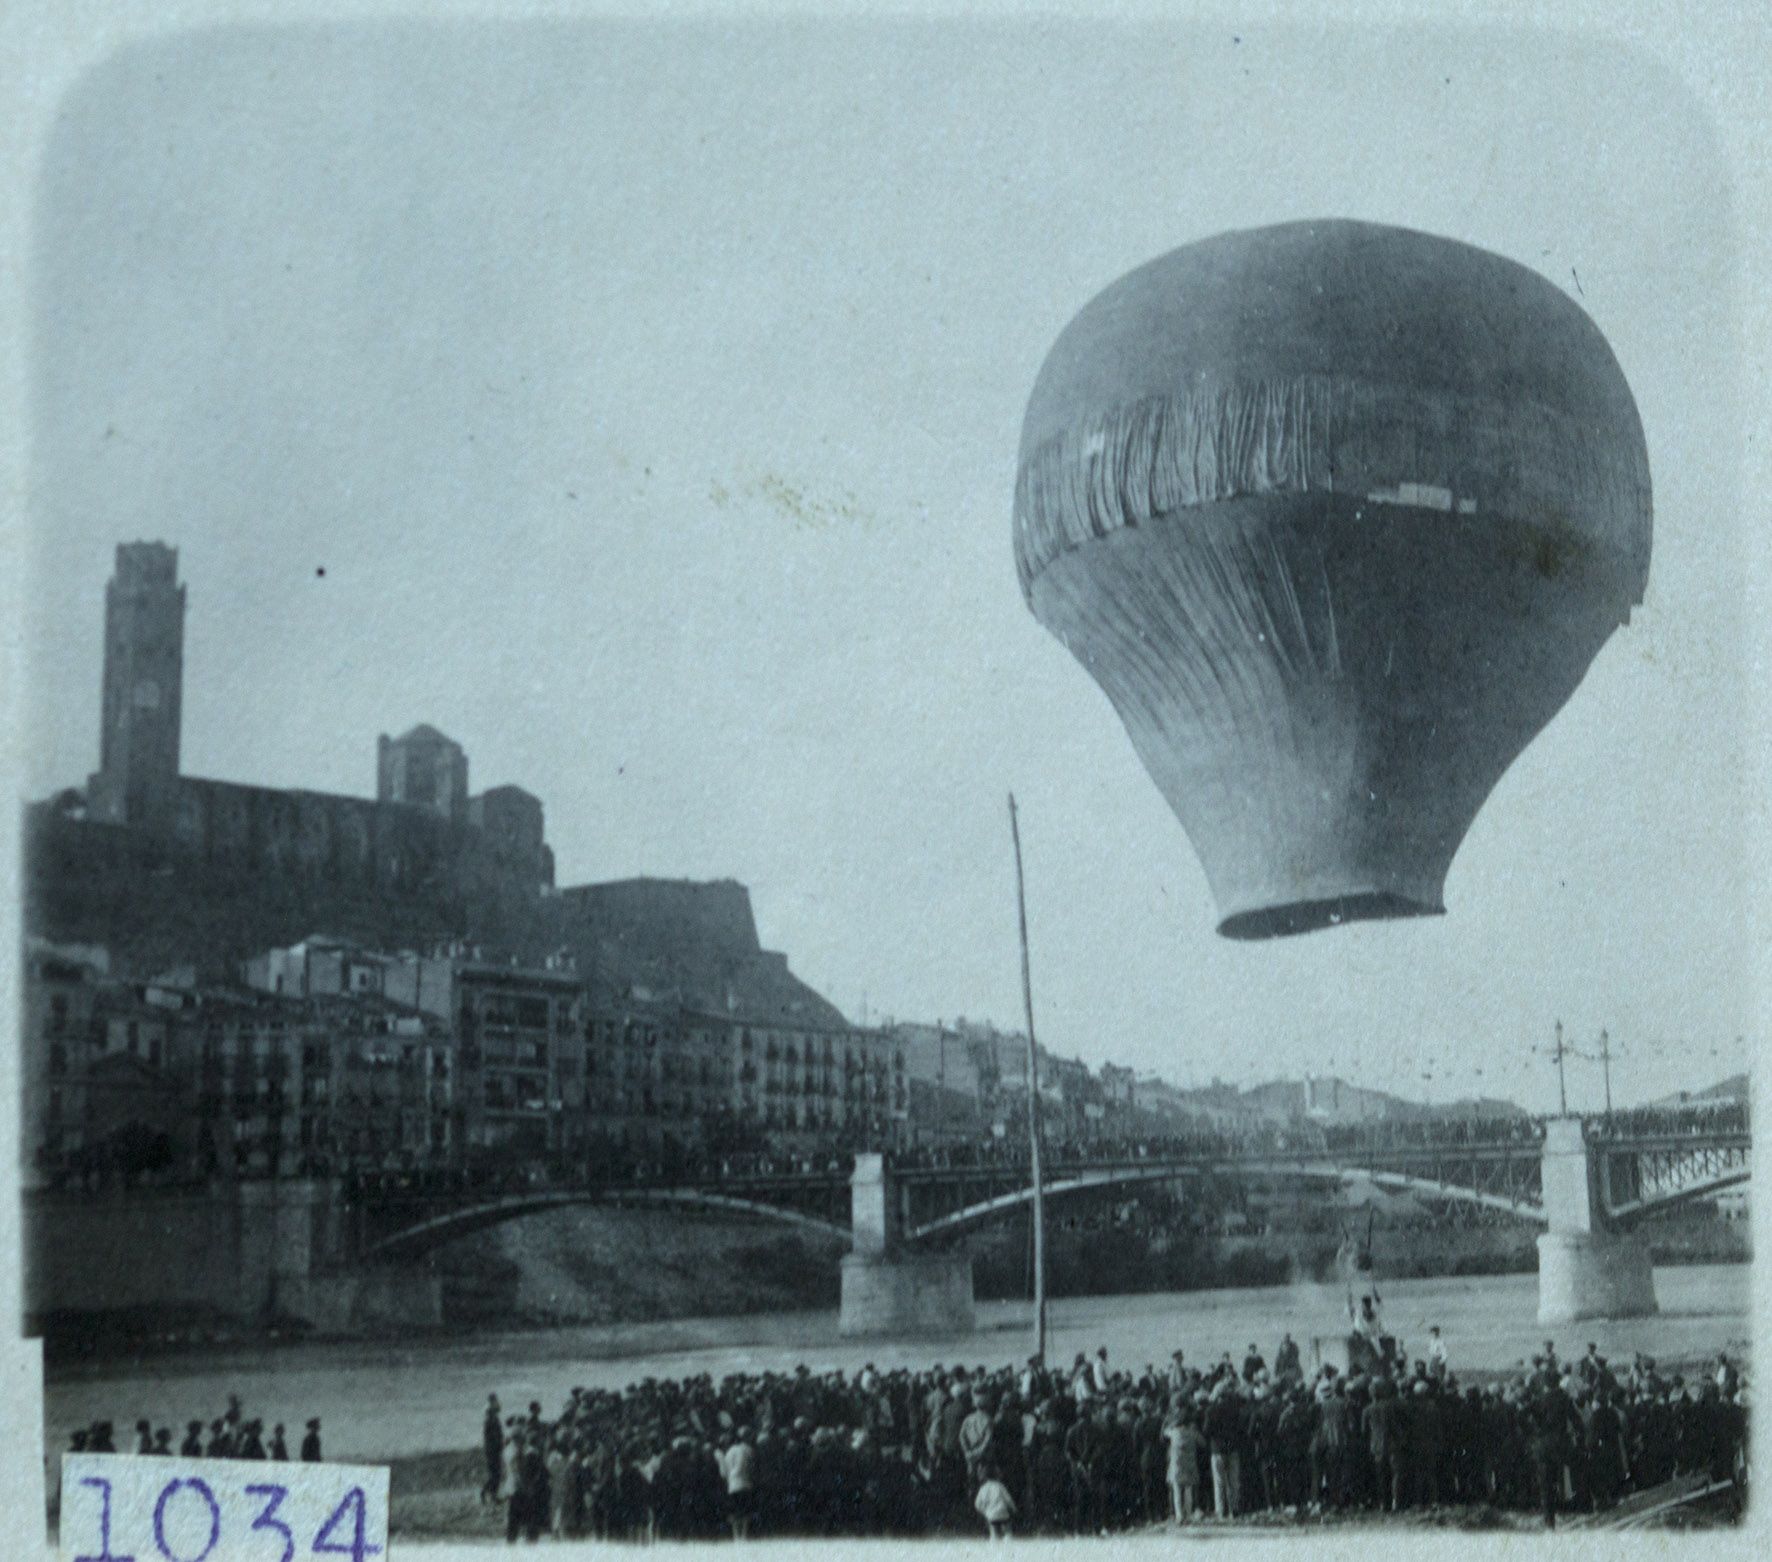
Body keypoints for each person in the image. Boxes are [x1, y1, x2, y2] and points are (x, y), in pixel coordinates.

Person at [720, 1428, 756, 1541]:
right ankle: (744, 1535)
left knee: (735, 1512)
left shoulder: (729, 1452)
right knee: (745, 1511)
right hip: (745, 1483)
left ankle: (735, 1536)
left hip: (732, 1484)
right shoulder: (748, 1450)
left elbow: (723, 1472)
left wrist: (729, 1479)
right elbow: (751, 1467)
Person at [974, 1464, 1017, 1539]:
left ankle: (994, 1539)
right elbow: (1008, 1499)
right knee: (1008, 1531)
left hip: (990, 1514)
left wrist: (984, 1512)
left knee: (993, 1533)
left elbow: (977, 1504)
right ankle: (1008, 1540)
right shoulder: (1000, 1486)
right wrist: (1013, 1508)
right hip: (1002, 1513)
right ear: (997, 1476)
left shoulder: (983, 1488)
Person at [482, 1395, 505, 1503]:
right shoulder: (490, 1418)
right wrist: (499, 1443)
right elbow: (492, 1436)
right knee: (495, 1473)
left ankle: (491, 1494)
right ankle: (489, 1494)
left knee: (496, 1473)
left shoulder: (491, 1416)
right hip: (492, 1449)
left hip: (493, 1448)